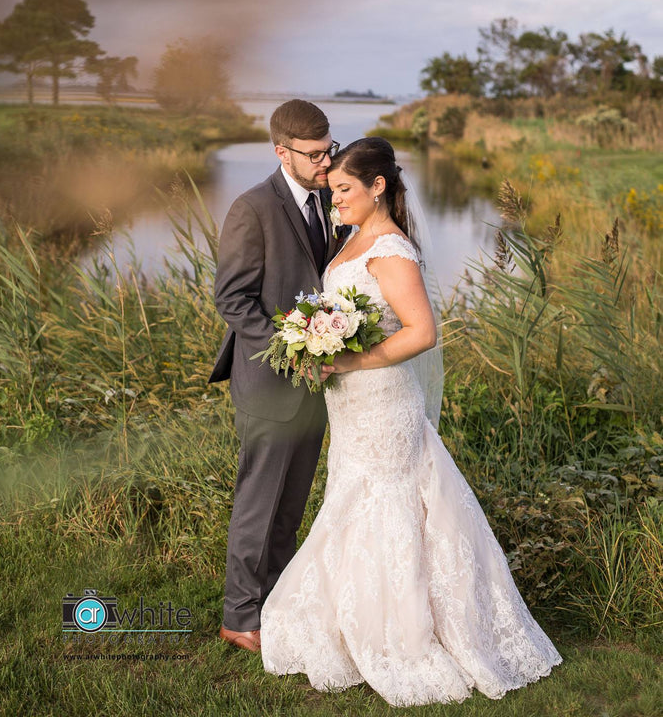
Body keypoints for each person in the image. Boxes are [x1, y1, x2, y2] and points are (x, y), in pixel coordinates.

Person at [261, 137, 562, 706]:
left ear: (378, 187)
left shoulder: (391, 251)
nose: (335, 203)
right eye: (330, 193)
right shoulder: (355, 240)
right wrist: (315, 341)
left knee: (388, 503)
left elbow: (420, 332)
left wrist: (345, 357)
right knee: (353, 496)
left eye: (344, 191)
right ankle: (355, 620)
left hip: (383, 402)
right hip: (352, 401)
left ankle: (404, 631)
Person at [210, 99, 345, 652]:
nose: (324, 162)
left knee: (291, 506)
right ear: (280, 151)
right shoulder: (252, 208)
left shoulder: (331, 201)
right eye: (313, 155)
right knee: (258, 504)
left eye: (328, 150)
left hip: (320, 384)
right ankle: (238, 617)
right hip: (271, 384)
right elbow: (233, 300)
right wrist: (292, 351)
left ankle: (278, 604)